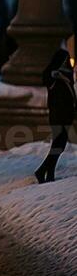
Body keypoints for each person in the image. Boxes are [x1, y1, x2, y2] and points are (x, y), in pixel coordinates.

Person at [37, 48, 75, 184]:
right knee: (58, 145)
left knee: (59, 145)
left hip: (64, 116)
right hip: (59, 116)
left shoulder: (64, 78)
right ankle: (42, 171)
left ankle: (48, 173)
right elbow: (47, 78)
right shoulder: (55, 79)